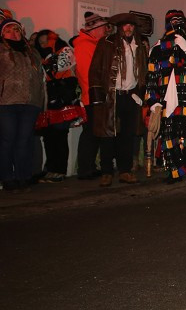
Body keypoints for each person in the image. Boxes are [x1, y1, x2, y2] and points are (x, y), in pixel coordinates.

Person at [146, 9, 186, 186]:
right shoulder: (157, 49)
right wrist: (153, 101)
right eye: (175, 22)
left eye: (181, 22)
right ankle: (174, 172)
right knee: (169, 137)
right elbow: (151, 76)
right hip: (166, 98)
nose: (178, 26)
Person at [89, 12, 150, 186]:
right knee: (108, 134)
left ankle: (125, 171)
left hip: (130, 96)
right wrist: (98, 96)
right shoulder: (106, 43)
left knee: (128, 135)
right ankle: (107, 172)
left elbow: (143, 73)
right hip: (111, 95)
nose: (128, 28)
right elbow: (95, 70)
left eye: (131, 25)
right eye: (125, 25)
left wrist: (140, 93)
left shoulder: (139, 46)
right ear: (119, 27)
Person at [0, 16, 45, 192]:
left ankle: (23, 176)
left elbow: (40, 79)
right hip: (6, 102)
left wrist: (41, 101)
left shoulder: (32, 52)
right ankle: (7, 177)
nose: (13, 33)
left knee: (24, 140)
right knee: (7, 139)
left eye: (16, 29)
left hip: (30, 102)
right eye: (8, 30)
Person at [34, 30, 81, 183]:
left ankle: (59, 170)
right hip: (48, 102)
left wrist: (48, 55)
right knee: (49, 137)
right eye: (40, 43)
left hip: (62, 102)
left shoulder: (66, 51)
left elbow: (59, 66)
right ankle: (50, 168)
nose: (43, 45)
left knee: (60, 136)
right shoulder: (39, 58)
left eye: (46, 41)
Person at [71, 11, 109, 180]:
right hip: (92, 96)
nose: (106, 30)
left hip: (95, 95)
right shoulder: (86, 46)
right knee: (90, 133)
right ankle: (85, 169)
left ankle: (89, 167)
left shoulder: (92, 44)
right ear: (94, 29)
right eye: (103, 28)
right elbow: (88, 74)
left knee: (93, 133)